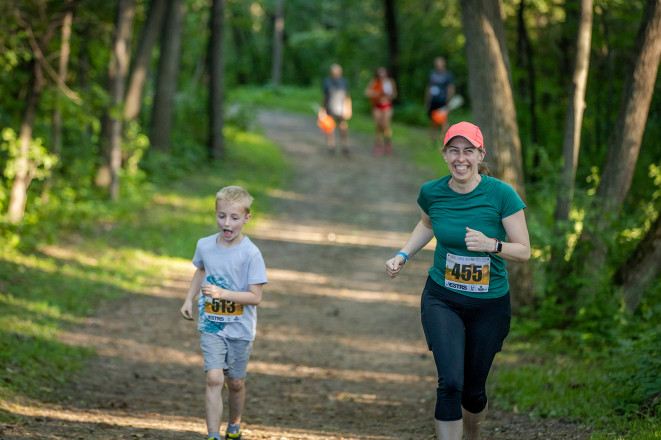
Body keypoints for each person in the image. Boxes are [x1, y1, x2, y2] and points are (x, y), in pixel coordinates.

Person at [385, 122, 530, 440]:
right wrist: (403, 254)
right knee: (450, 383)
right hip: (443, 297)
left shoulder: (501, 194)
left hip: (489, 304)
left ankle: (472, 436)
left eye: (468, 151)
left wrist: (492, 244)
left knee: (473, 392)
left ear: (481, 154)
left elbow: (524, 251)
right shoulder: (432, 191)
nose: (460, 158)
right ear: (444, 154)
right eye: (453, 150)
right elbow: (426, 225)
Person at [180, 186, 268, 440]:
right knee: (214, 379)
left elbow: (256, 297)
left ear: (247, 219)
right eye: (221, 216)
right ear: (215, 214)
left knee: (235, 383)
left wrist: (222, 294)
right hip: (212, 325)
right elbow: (200, 270)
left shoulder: (251, 253)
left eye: (234, 218)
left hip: (240, 329)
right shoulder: (205, 245)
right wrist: (189, 299)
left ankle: (234, 425)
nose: (226, 223)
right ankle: (212, 435)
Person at [364, 67, 397, 155]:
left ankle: (387, 141)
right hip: (377, 106)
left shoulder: (390, 82)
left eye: (383, 73)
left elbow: (394, 94)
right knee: (378, 125)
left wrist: (388, 96)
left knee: (385, 125)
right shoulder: (375, 82)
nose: (382, 75)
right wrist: (376, 94)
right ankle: (378, 144)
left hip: (387, 106)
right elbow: (367, 92)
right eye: (380, 73)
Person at [321, 63, 352, 155]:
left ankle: (344, 145)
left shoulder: (344, 82)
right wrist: (322, 109)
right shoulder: (326, 82)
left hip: (341, 108)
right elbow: (324, 96)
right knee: (329, 128)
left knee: (343, 127)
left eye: (337, 71)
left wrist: (348, 108)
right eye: (333, 71)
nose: (335, 73)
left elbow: (347, 96)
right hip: (329, 107)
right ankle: (331, 145)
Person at [425, 57, 455, 145]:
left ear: (443, 64)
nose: (438, 66)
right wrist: (427, 100)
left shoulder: (448, 75)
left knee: (444, 121)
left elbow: (451, 88)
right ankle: (432, 140)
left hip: (443, 101)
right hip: (433, 101)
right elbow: (429, 87)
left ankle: (443, 140)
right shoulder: (432, 74)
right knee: (432, 121)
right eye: (437, 64)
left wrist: (449, 100)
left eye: (440, 63)